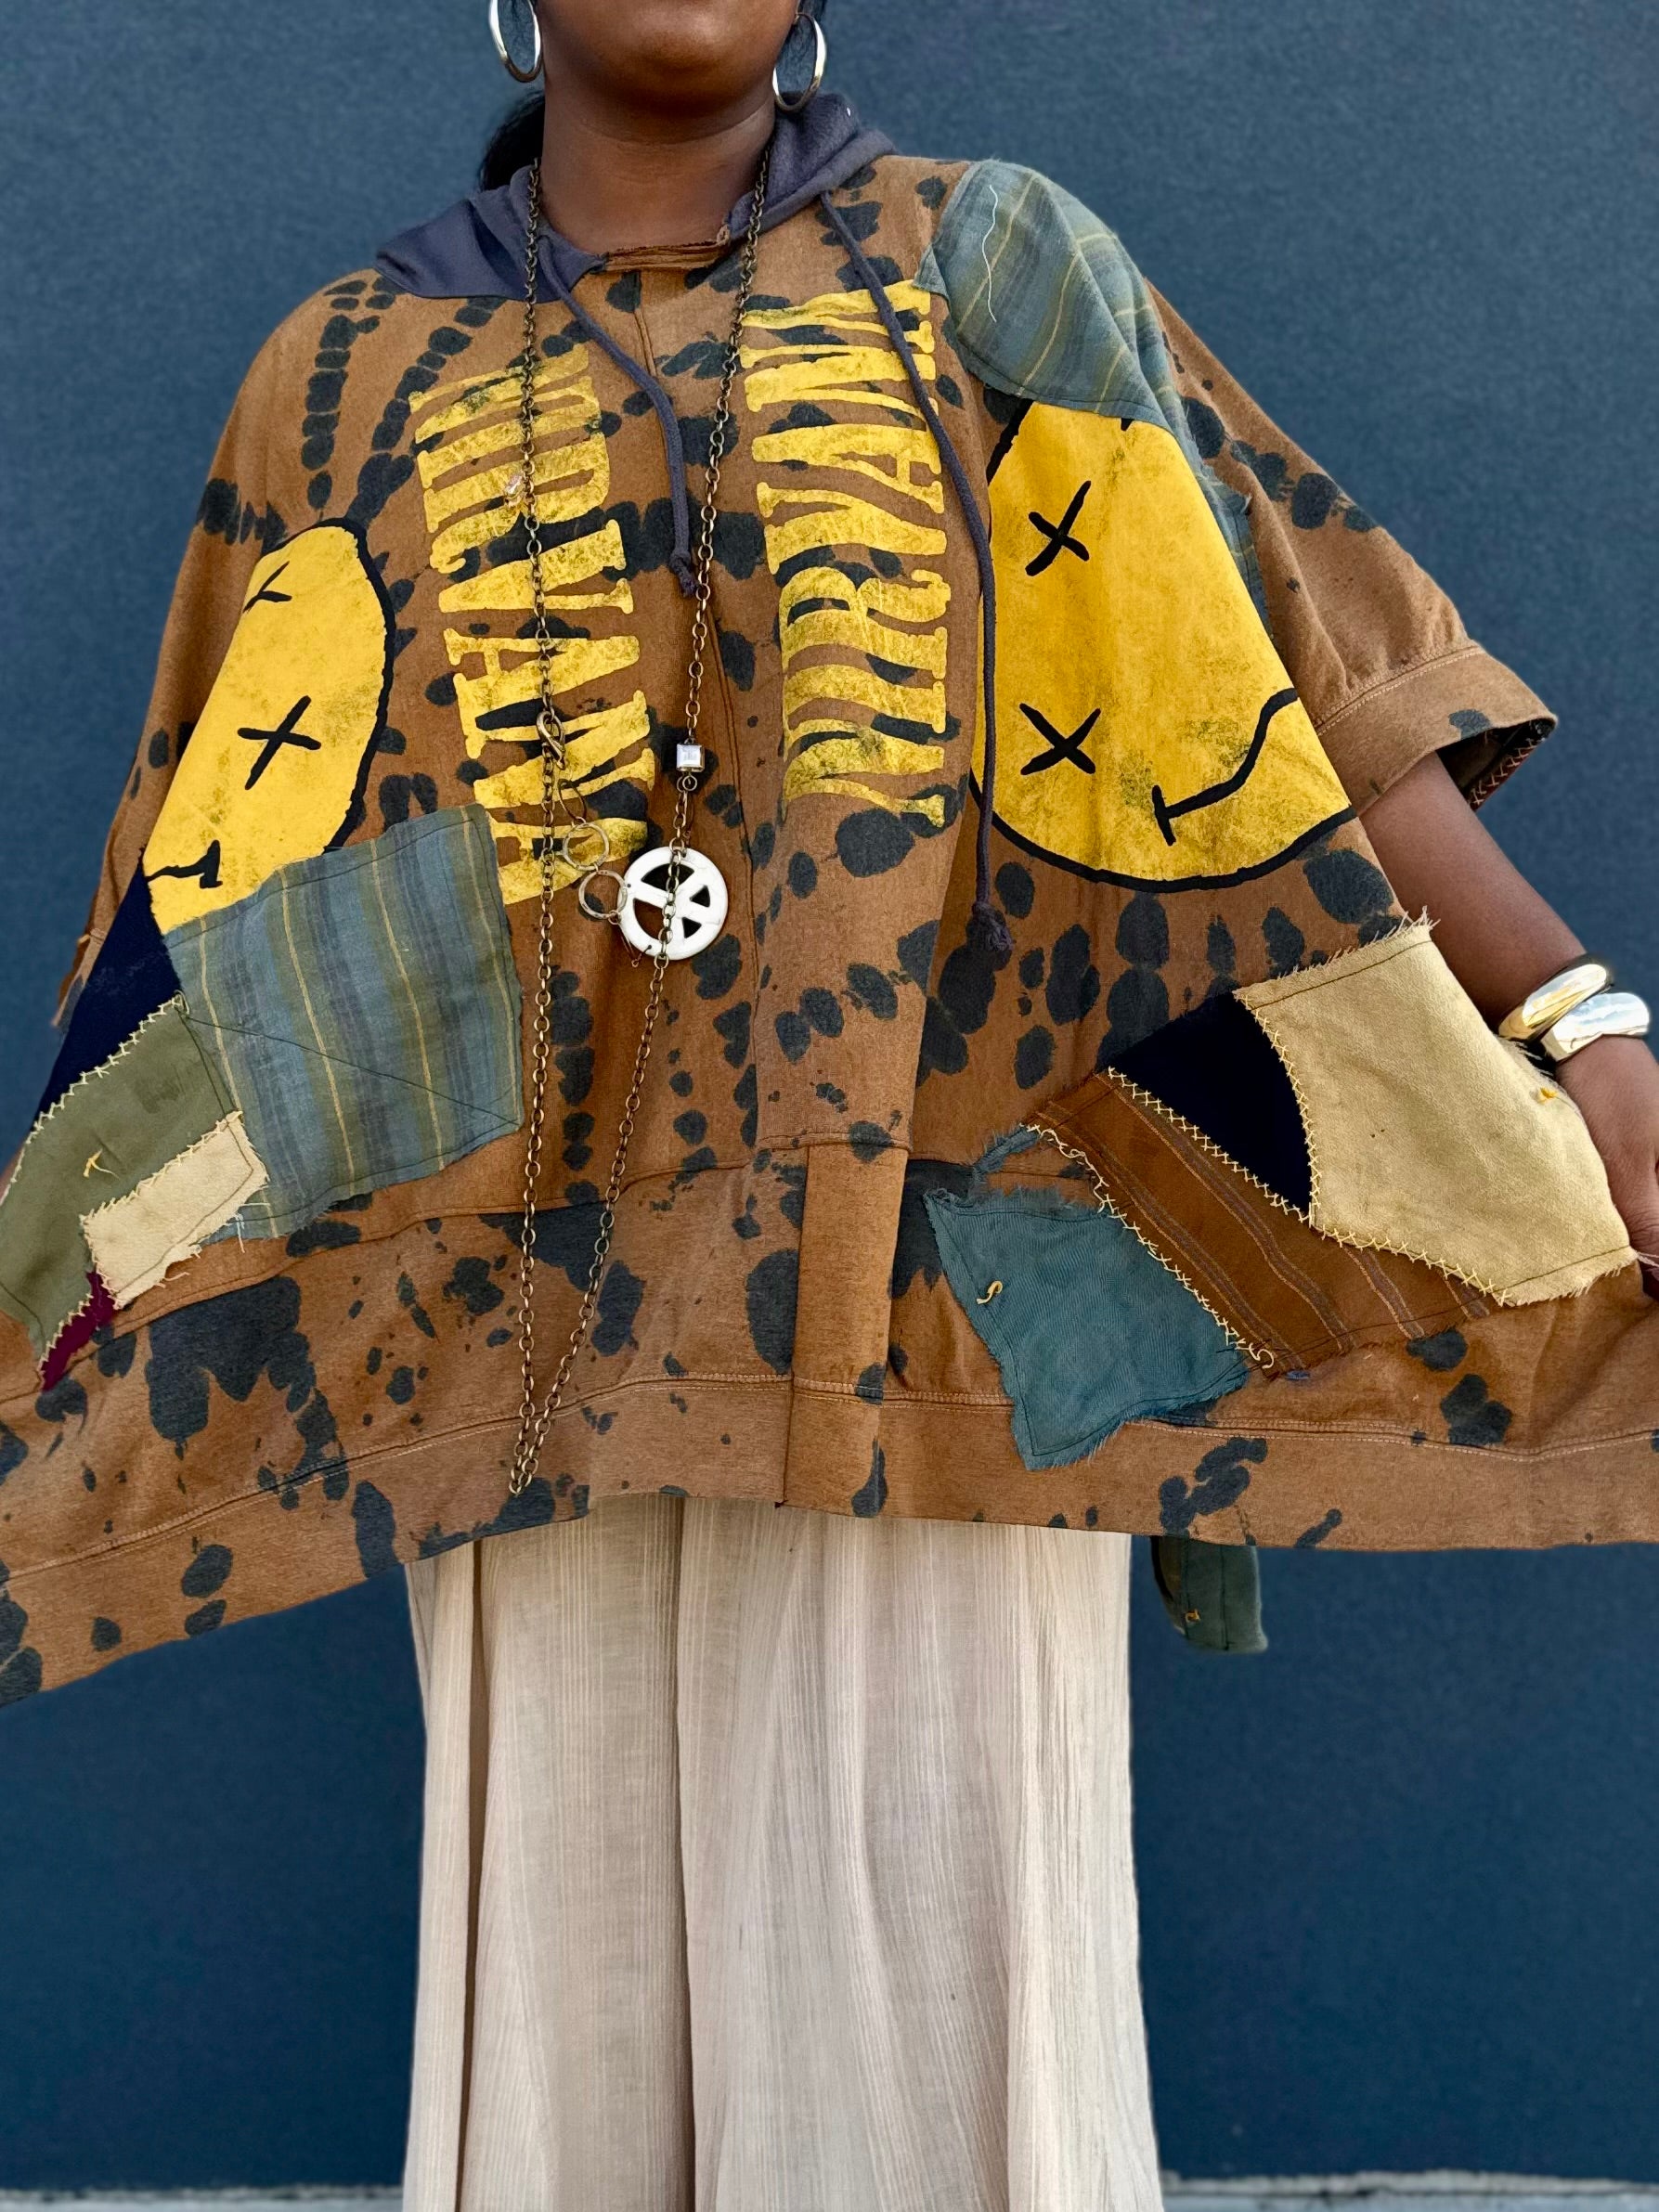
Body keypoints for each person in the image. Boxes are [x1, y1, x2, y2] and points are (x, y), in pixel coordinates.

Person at [0, 0, 1655, 2203]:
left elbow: (1278, 693)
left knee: (932, 2028)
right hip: (525, 1345)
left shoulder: (1003, 266)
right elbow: (215, 892)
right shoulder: (341, 375)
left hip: (945, 1313)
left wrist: (1580, 1022)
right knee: (566, 2042)